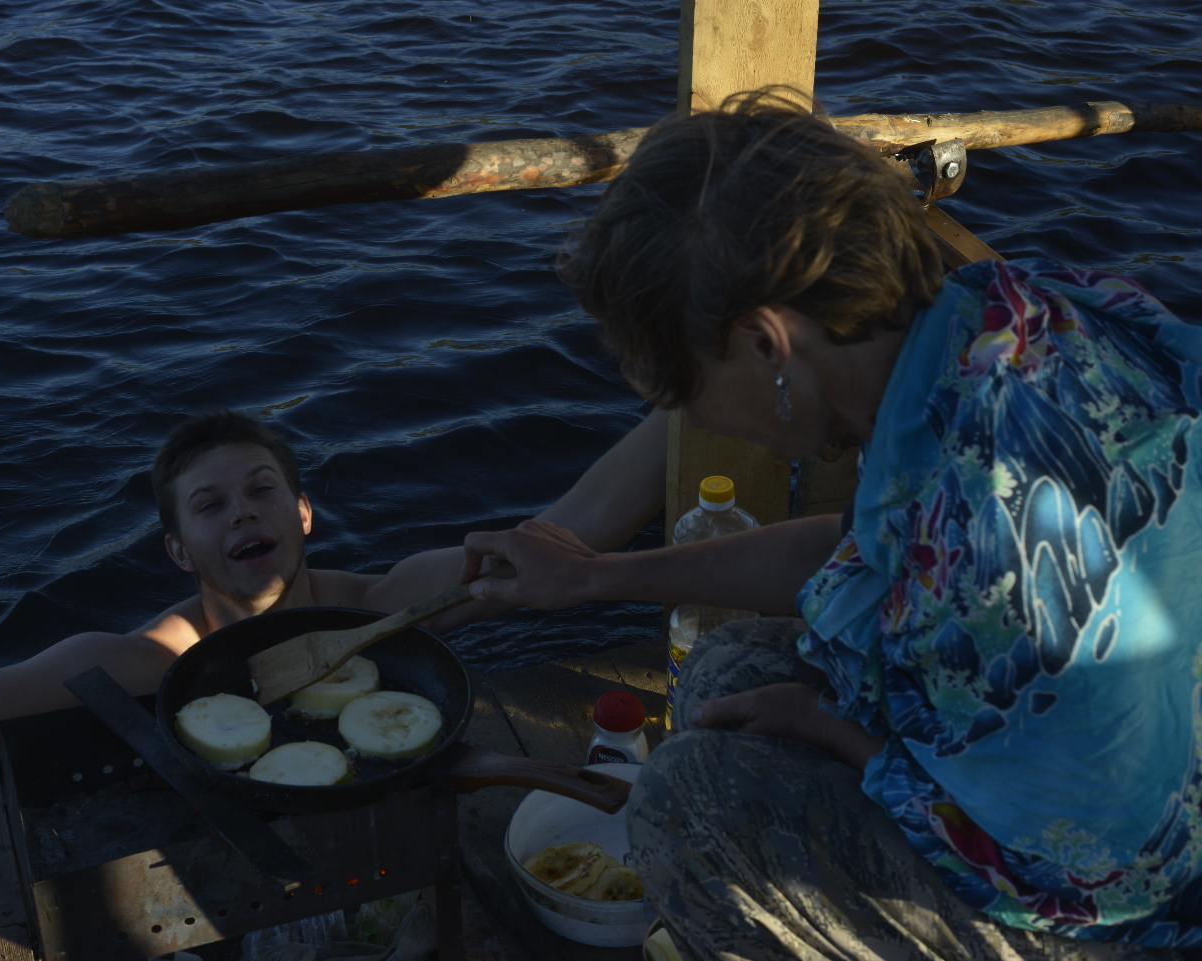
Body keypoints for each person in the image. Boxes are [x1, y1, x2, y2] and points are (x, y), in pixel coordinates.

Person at [462, 89, 1202, 958]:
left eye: (682, 388)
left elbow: (1052, 860)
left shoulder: (983, 517)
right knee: (725, 674)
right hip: (1149, 745)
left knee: (682, 802)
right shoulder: (988, 324)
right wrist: (596, 574)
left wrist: (831, 732)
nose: (694, 413)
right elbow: (863, 552)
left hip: (1121, 898)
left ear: (767, 344)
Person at [0, 407, 667, 758]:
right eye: (211, 505)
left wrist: (692, 395)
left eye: (262, 490)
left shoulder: (379, 605)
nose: (241, 514)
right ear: (179, 551)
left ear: (303, 515)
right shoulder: (151, 659)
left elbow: (575, 526)